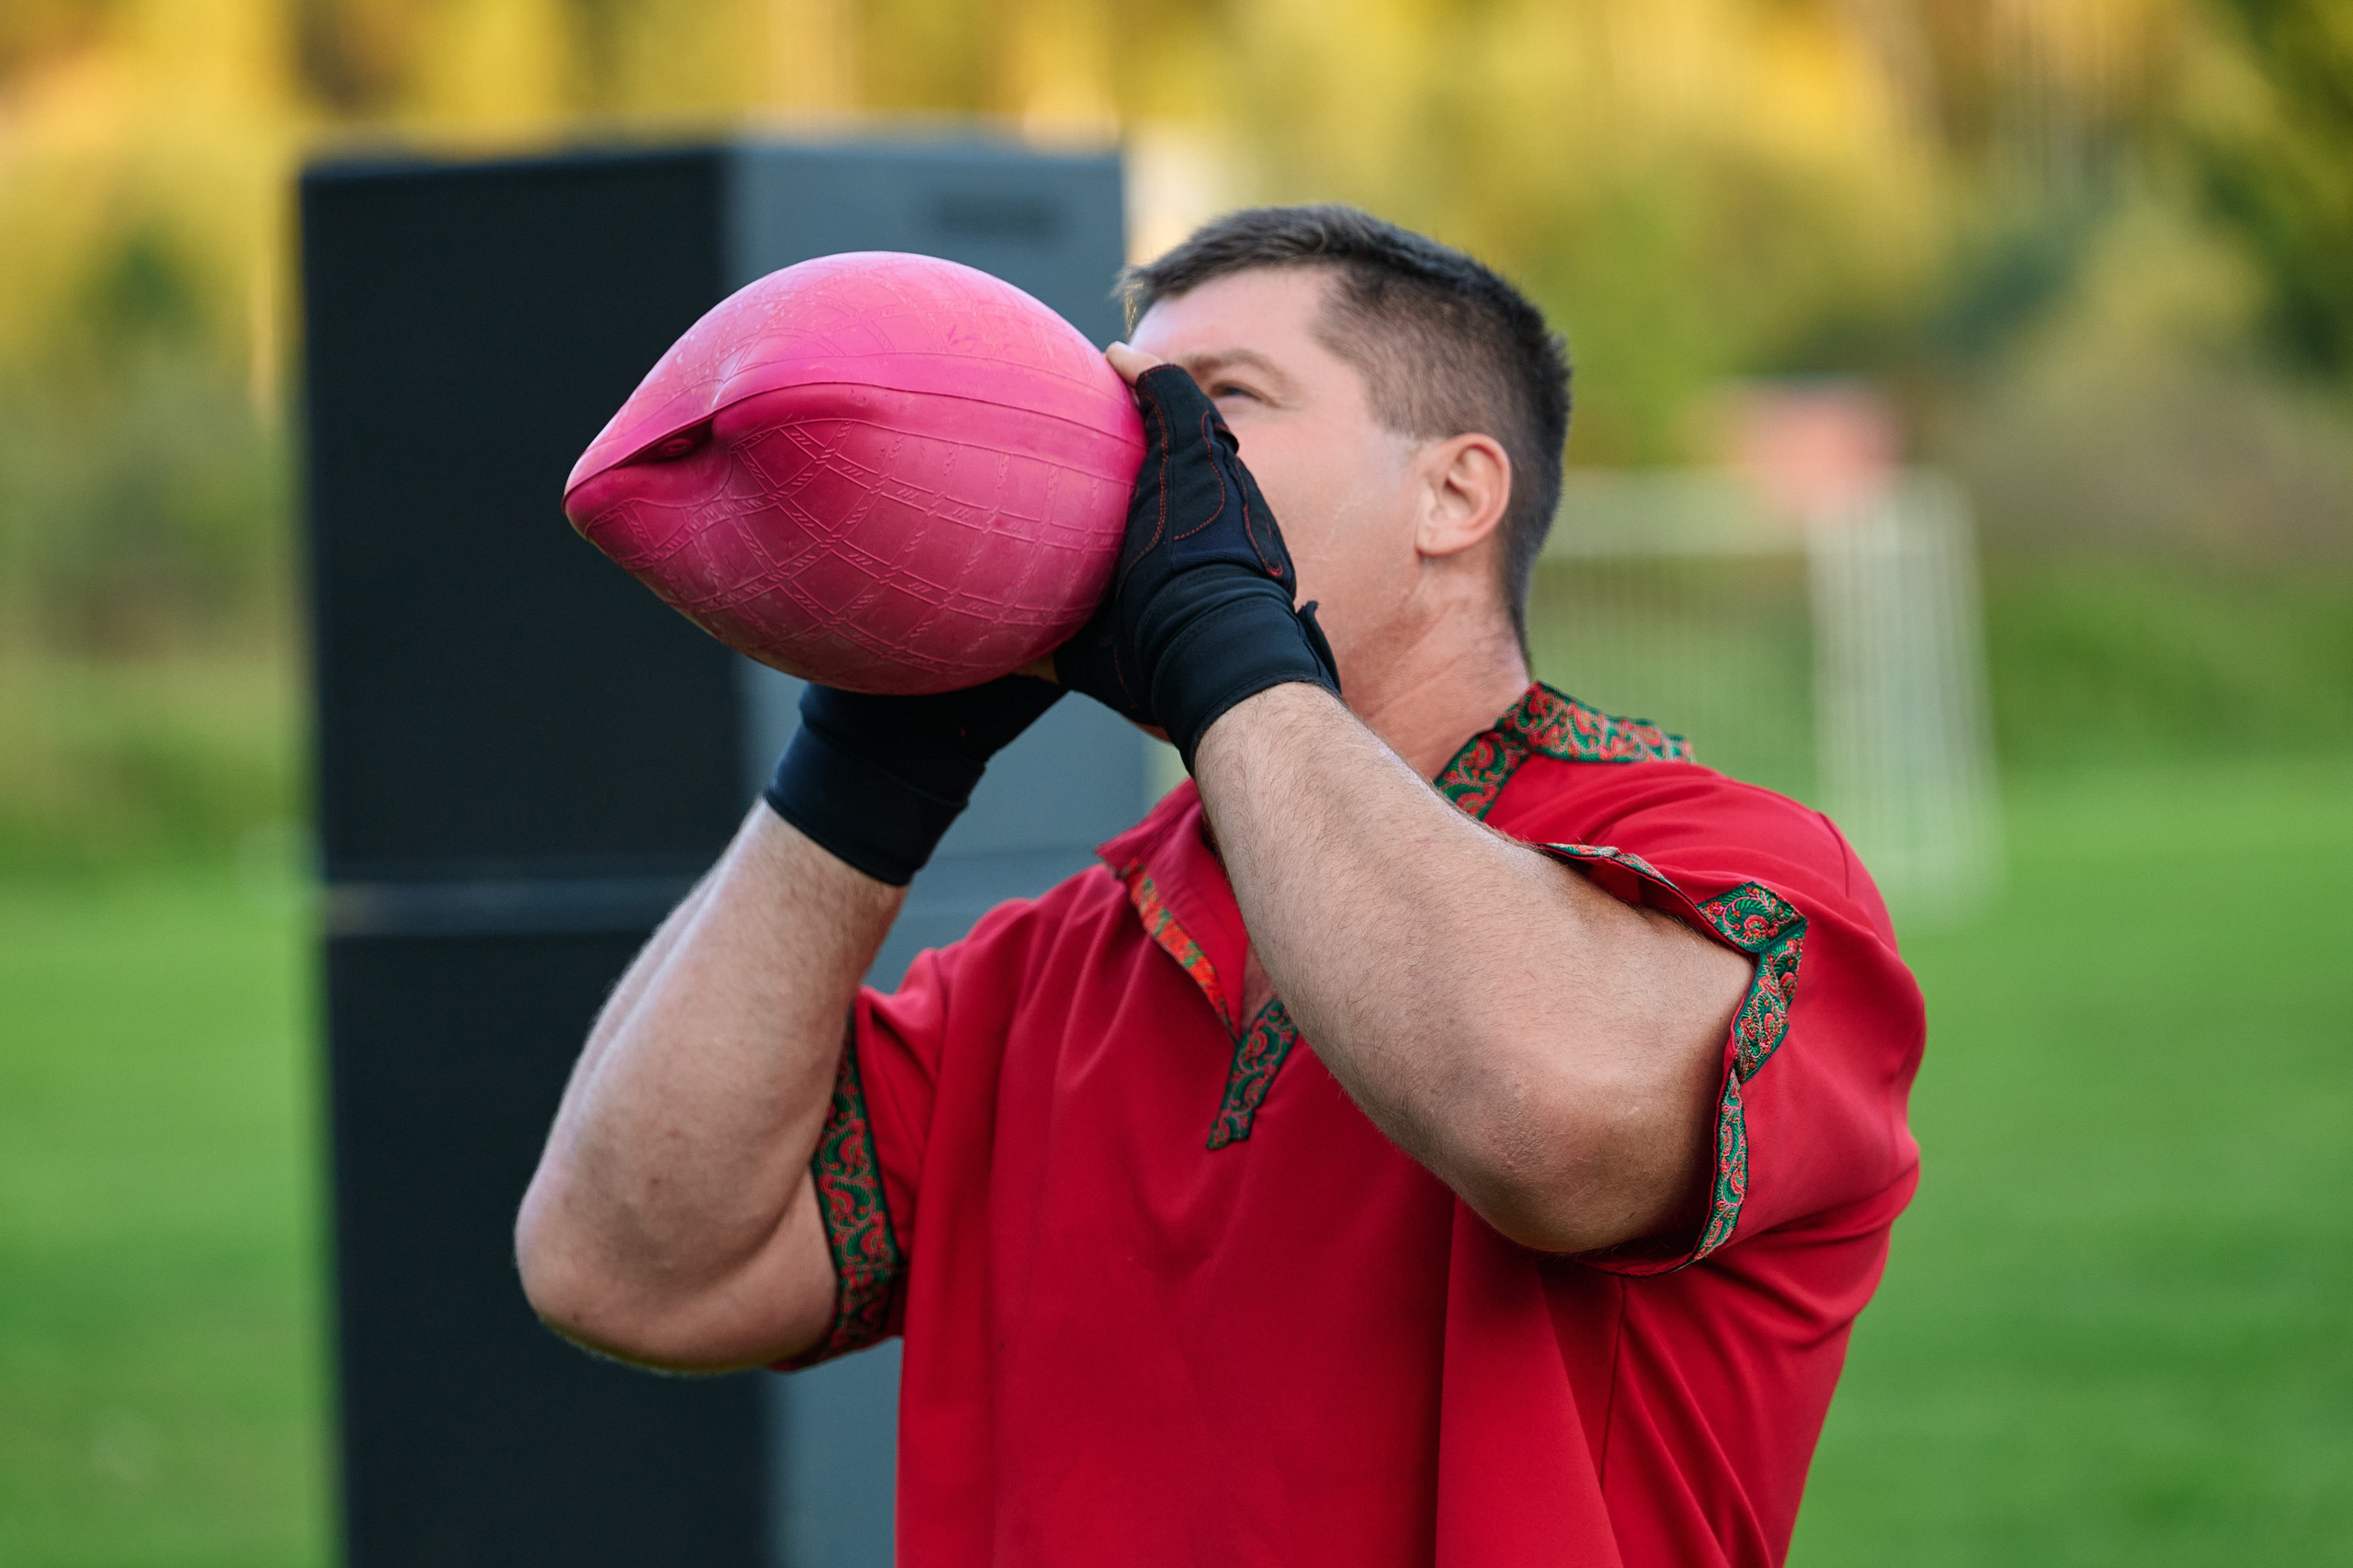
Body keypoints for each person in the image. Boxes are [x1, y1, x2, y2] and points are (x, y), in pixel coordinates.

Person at [516, 205, 1924, 1567]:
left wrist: (1230, 650)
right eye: (1134, 412)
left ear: (1455, 492)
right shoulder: (1061, 962)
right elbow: (629, 1264)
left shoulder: (1725, 870)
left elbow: (1549, 1125)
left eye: (1221, 405)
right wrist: (852, 787)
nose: (1142, 464)